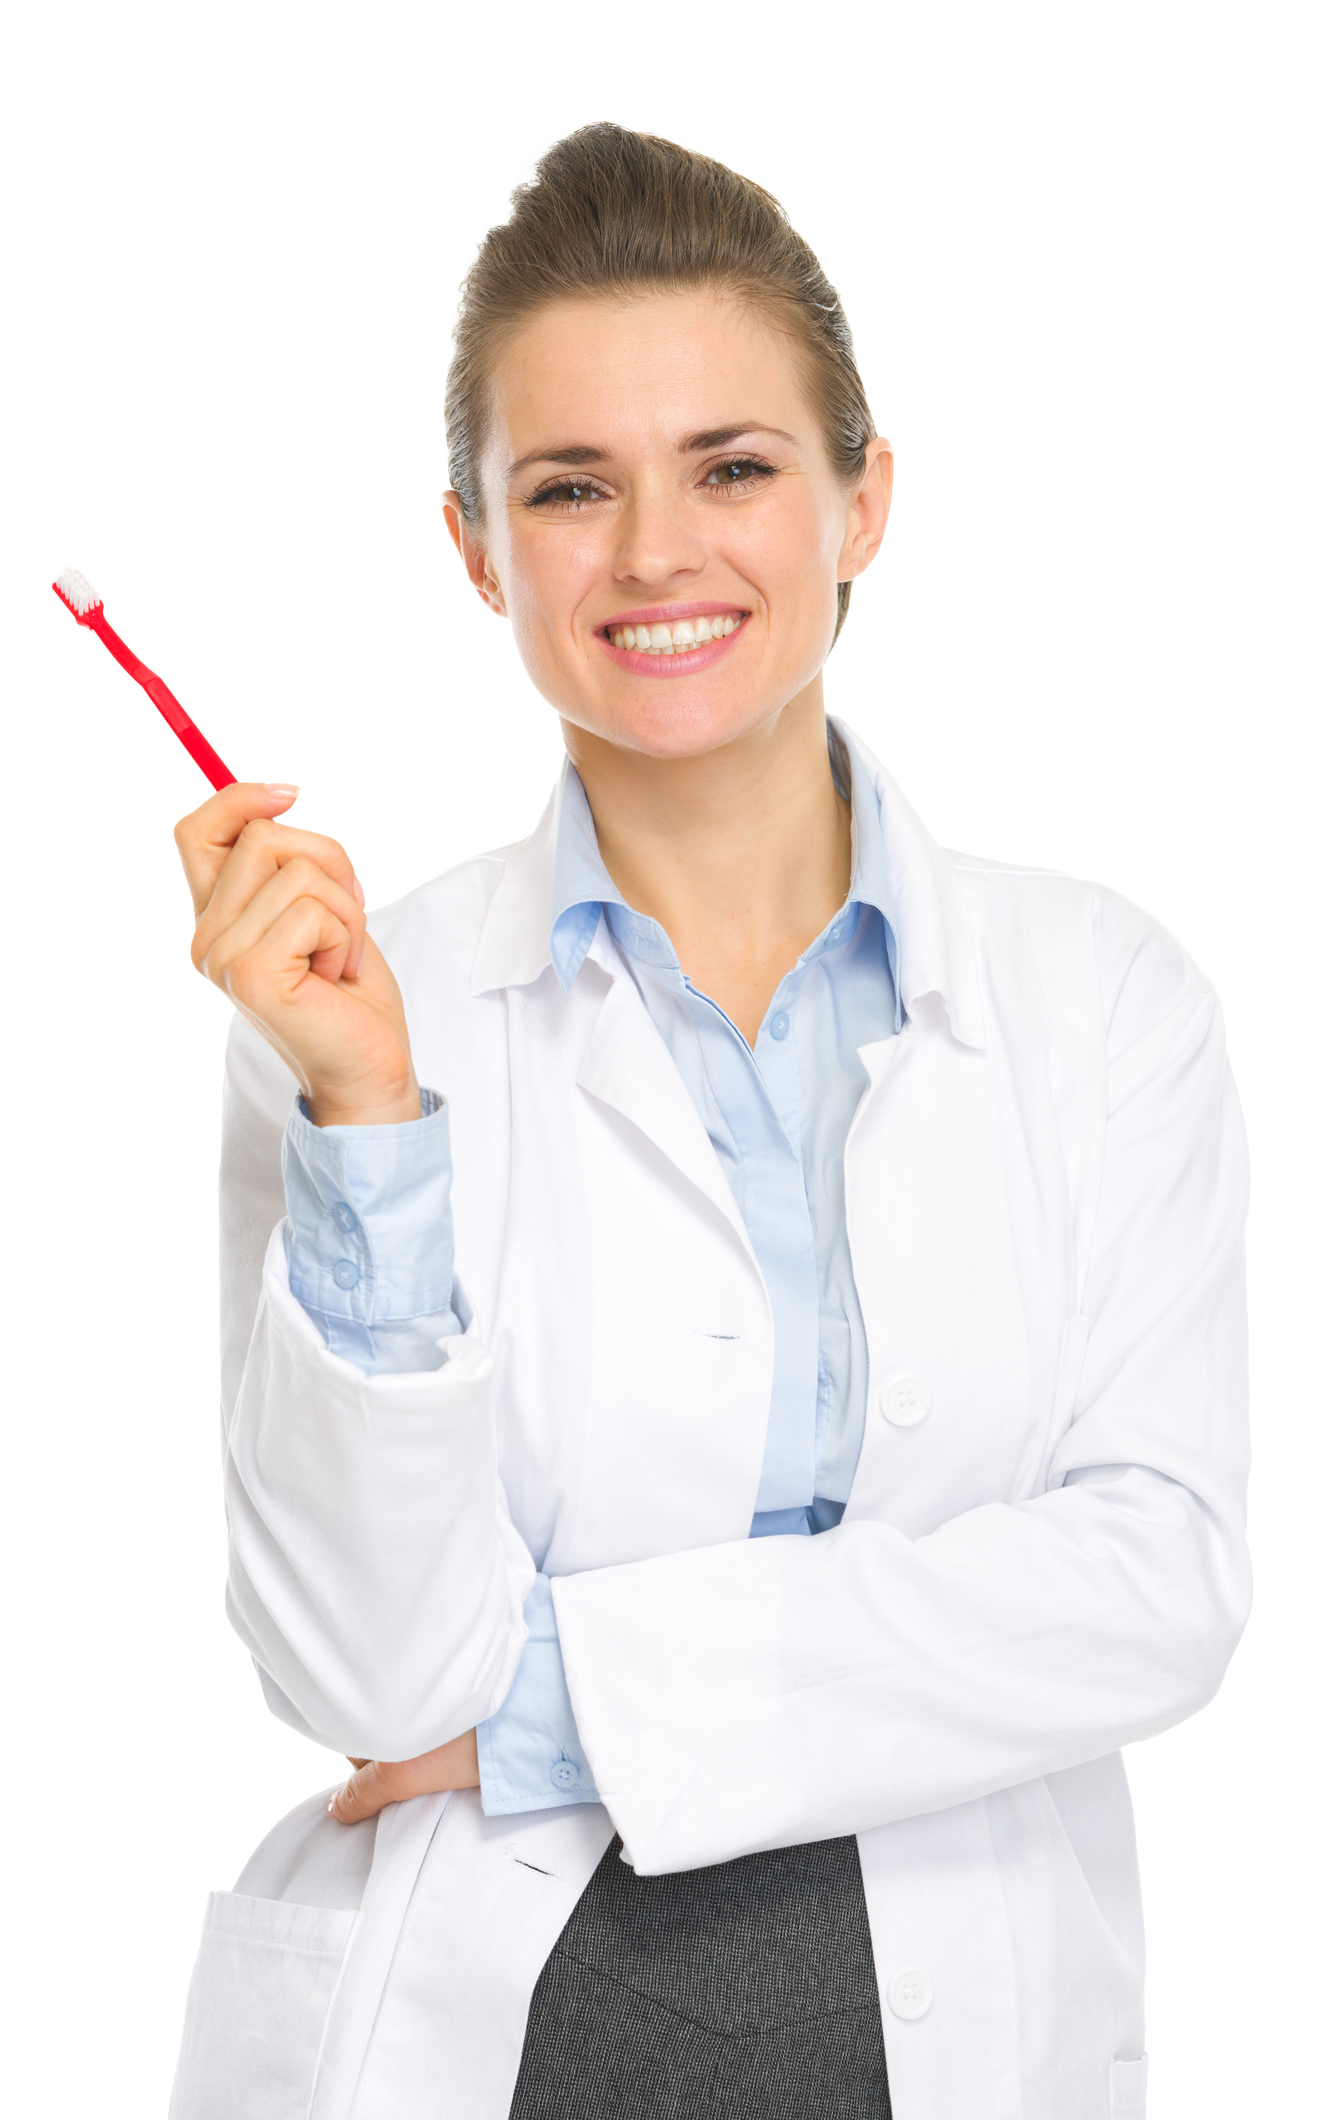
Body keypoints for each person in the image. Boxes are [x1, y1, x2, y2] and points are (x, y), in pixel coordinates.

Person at [167, 123, 1250, 2120]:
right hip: (492, 2056)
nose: (657, 551)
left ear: (865, 499)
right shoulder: (356, 1024)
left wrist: (564, 1695)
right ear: (478, 547)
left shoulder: (1102, 1004)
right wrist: (368, 1111)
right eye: (571, 488)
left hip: (948, 2047)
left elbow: (1156, 1582)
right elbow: (377, 1681)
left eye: (735, 467)